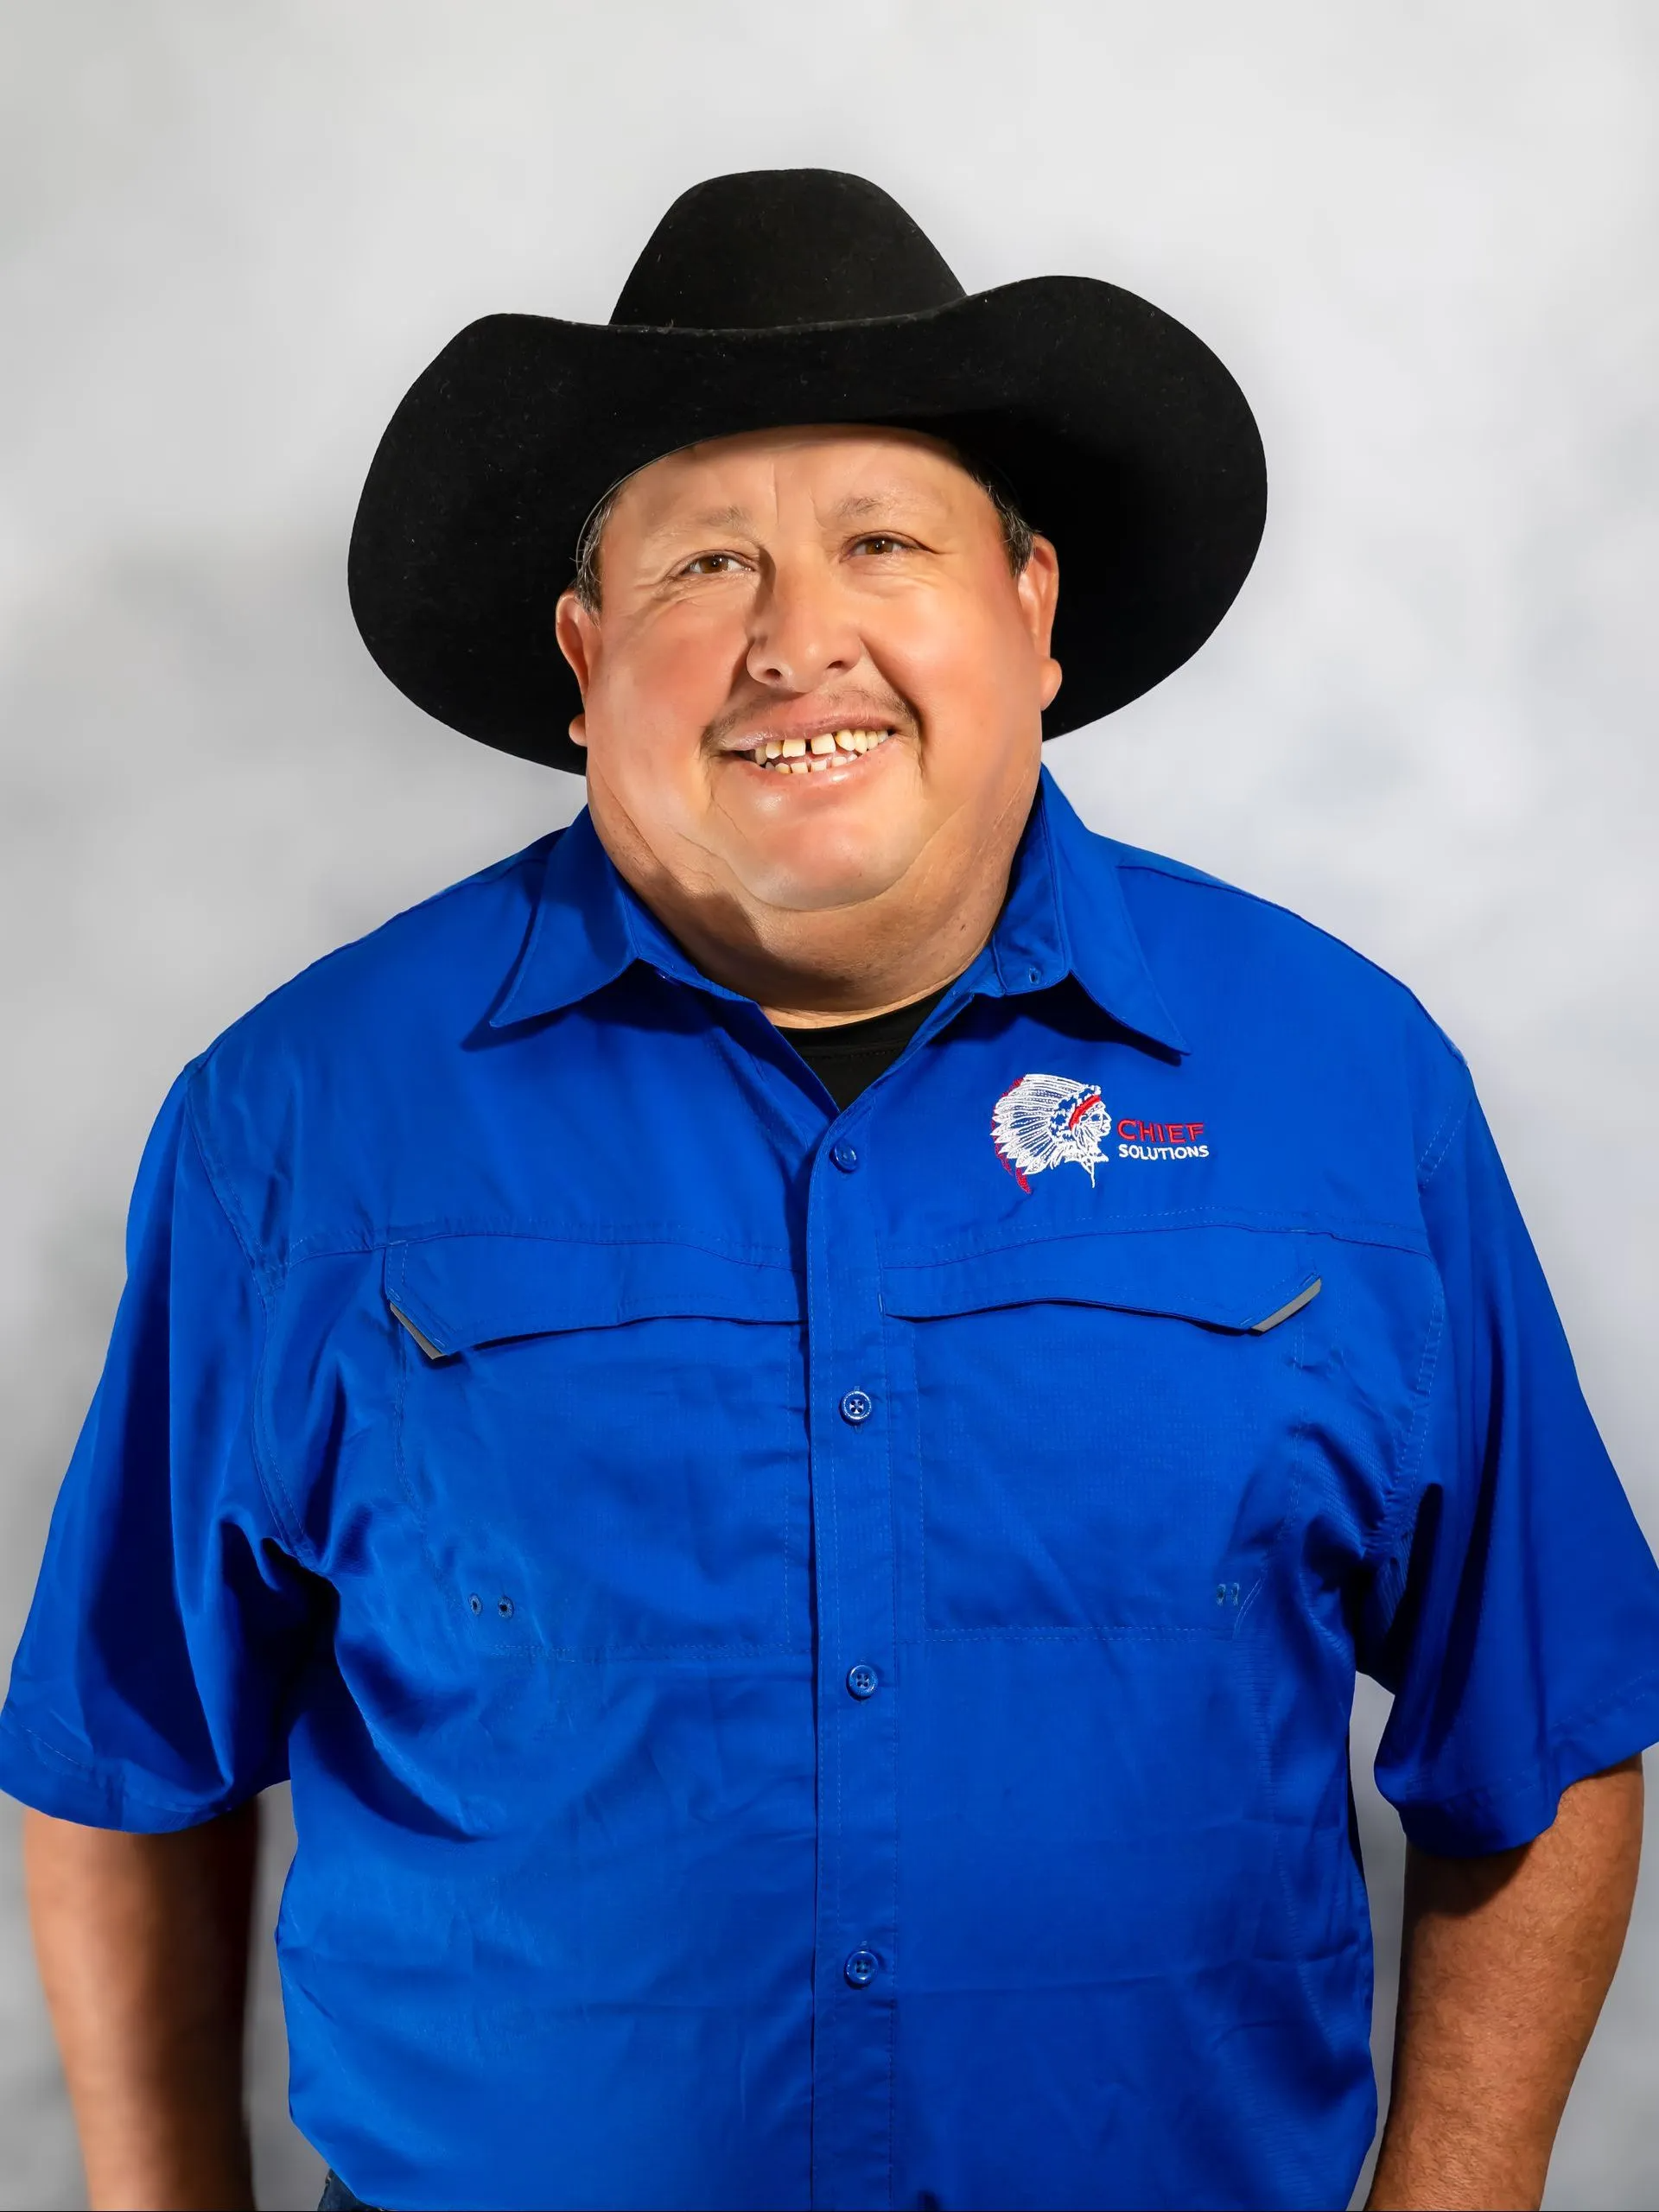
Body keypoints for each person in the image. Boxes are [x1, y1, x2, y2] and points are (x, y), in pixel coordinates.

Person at [4, 168, 1656, 2212]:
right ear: (584, 654)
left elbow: (1544, 1718)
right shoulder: (294, 1123)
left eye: (884, 541)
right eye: (708, 563)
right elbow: (128, 1748)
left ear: (1031, 610)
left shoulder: (1347, 1085)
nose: (800, 642)